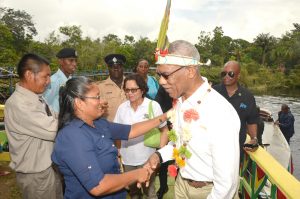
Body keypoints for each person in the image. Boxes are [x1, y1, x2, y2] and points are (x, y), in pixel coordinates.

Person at [144, 40, 240, 199]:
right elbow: (180, 144)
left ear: (190, 71)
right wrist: (159, 156)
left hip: (210, 192)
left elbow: (226, 185)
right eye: (159, 75)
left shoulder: (219, 112)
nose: (161, 81)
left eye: (166, 75)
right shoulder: (180, 102)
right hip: (181, 184)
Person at [51, 76, 169, 199]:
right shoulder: (72, 136)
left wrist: (167, 115)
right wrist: (137, 174)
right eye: (97, 97)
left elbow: (132, 130)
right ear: (79, 103)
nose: (102, 101)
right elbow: (98, 186)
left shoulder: (99, 124)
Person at [4, 53, 63, 199]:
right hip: (36, 174)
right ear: (29, 75)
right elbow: (53, 129)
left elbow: (55, 116)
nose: (49, 81)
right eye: (45, 76)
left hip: (47, 167)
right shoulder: (20, 104)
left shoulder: (35, 98)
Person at [114, 74, 168, 199]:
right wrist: (118, 153)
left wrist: (159, 153)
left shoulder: (153, 106)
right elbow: (117, 133)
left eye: (134, 90)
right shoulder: (122, 108)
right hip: (128, 160)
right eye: (127, 90)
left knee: (150, 192)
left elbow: (164, 130)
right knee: (134, 194)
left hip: (148, 159)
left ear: (142, 90)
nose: (130, 93)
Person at [213, 61, 259, 155]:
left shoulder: (248, 96)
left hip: (236, 149)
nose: (226, 76)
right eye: (224, 73)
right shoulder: (212, 92)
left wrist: (254, 139)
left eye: (231, 74)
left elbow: (251, 121)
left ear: (238, 76)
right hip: (212, 145)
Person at [43, 47, 78, 113]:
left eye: (75, 61)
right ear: (61, 61)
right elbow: (45, 105)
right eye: (71, 60)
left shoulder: (70, 79)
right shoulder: (54, 81)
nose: (75, 64)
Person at [154, 86, 173, 199]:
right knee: (163, 159)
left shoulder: (186, 87)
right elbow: (158, 105)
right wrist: (169, 121)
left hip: (184, 129)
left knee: (180, 160)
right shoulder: (163, 88)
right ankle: (163, 186)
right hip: (166, 126)